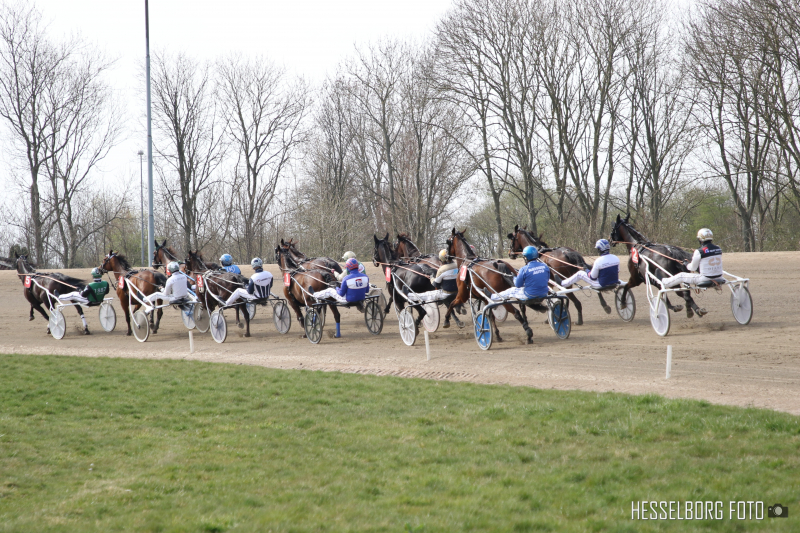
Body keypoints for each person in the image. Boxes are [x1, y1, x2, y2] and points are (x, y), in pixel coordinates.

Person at [407, 249, 463, 328]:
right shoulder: (457, 267)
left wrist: (431, 278)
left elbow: (435, 284)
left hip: (445, 294)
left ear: (441, 259)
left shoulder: (441, 269)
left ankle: (409, 295)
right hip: (458, 292)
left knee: (426, 295)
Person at [55, 267, 110, 335]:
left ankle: (59, 296)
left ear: (93, 276)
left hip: (89, 301)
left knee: (73, 294)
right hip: (99, 301)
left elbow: (83, 295)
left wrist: (79, 290)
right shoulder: (106, 283)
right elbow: (106, 292)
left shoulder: (90, 285)